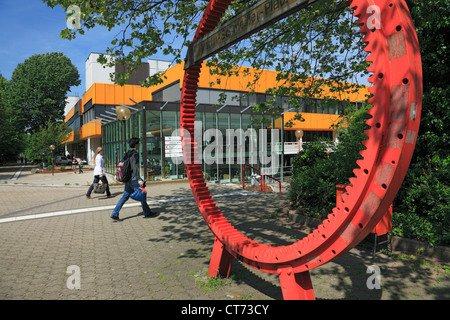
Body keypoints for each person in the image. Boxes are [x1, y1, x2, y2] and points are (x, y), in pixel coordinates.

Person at [111, 137, 155, 221]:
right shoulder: (135, 153)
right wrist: (139, 179)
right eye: (138, 143)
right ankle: (147, 212)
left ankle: (114, 213)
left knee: (124, 197)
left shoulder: (127, 153)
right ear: (136, 144)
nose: (139, 145)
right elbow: (135, 168)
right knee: (142, 194)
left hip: (127, 179)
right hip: (133, 179)